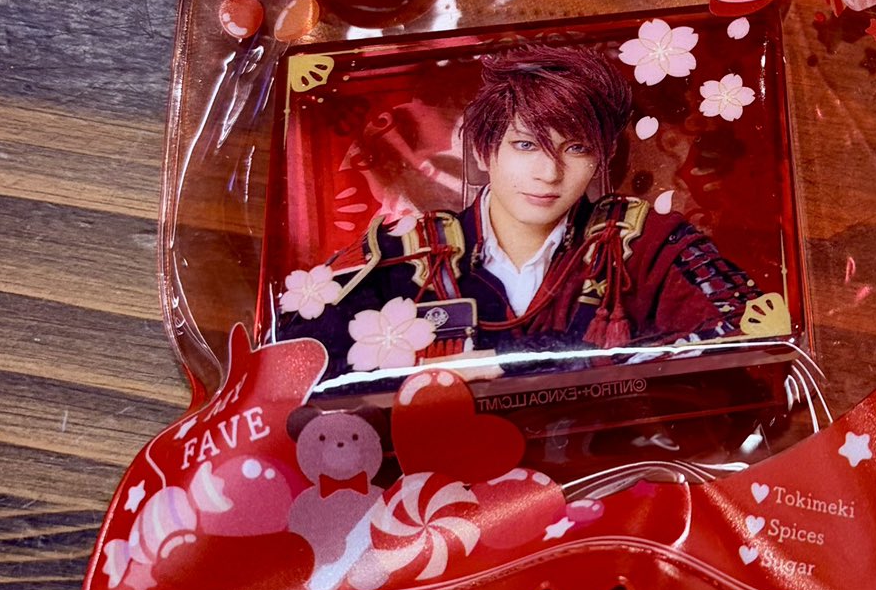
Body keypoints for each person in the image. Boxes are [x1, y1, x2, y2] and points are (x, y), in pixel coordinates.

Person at [276, 39, 762, 375]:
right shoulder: (402, 252)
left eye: (576, 149)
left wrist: (536, 362)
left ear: (602, 157)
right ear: (485, 149)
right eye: (526, 145)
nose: (549, 173)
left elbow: (749, 336)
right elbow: (293, 358)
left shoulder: (644, 242)